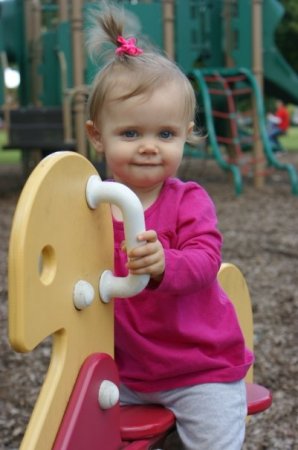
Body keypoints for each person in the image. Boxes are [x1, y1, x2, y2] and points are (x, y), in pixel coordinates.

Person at [85, 3, 254, 449]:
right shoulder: (91, 207)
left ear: (186, 135)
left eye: (165, 134)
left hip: (200, 368)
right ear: (97, 135)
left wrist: (164, 263)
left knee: (215, 441)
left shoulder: (187, 201)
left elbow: (204, 259)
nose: (148, 147)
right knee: (77, 420)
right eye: (130, 133)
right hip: (127, 372)